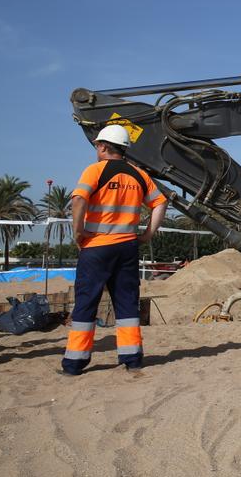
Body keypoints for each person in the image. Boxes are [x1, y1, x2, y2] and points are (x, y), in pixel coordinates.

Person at [62, 125, 166, 375]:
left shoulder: (95, 170)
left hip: (97, 246)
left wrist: (78, 232)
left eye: (97, 145)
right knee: (127, 303)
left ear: (104, 146)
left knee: (87, 303)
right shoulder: (139, 174)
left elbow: (78, 199)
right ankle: (132, 359)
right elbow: (160, 202)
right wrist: (147, 235)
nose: (96, 149)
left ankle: (75, 363)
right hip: (127, 247)